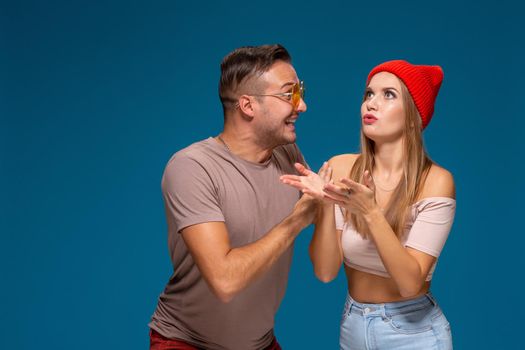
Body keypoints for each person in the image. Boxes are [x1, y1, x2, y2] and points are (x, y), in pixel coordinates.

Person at [148, 44, 317, 350]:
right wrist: (297, 221)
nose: (301, 105)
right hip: (187, 343)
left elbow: (322, 212)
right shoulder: (192, 167)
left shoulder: (287, 154)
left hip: (259, 343)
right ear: (248, 105)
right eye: (288, 94)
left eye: (300, 91)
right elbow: (225, 281)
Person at [281, 60, 455, 349]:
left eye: (389, 94)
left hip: (413, 334)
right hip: (354, 326)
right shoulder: (340, 167)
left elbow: (410, 284)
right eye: (368, 94)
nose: (371, 104)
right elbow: (325, 272)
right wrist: (325, 201)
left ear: (414, 116)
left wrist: (371, 212)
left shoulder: (435, 181)